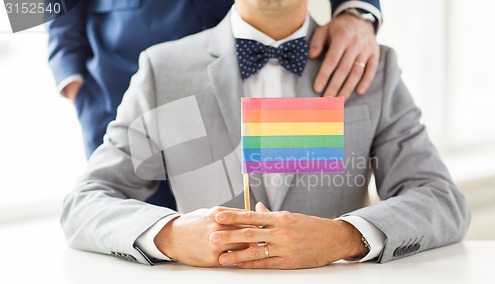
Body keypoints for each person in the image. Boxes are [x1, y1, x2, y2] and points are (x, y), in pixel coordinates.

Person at [62, 0, 470, 269]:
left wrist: (344, 238)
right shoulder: (162, 71)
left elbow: (441, 201)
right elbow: (85, 203)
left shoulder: (372, 69)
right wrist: (169, 235)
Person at [48, 0, 382, 158]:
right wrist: (66, 70)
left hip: (262, 72)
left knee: (282, 227)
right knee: (134, 238)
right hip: (119, 85)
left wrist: (358, 10)